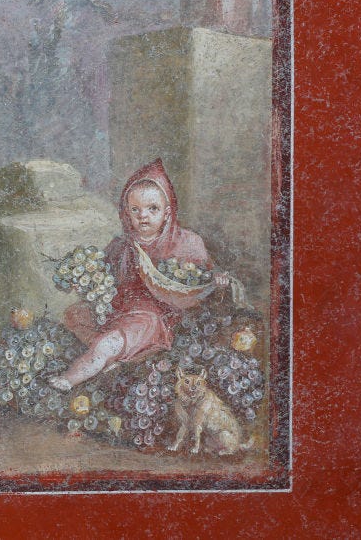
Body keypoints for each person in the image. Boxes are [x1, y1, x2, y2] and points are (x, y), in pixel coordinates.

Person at [49, 159, 228, 391]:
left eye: (152, 208)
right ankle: (114, 359)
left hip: (149, 317)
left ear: (167, 212)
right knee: (74, 315)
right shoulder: (121, 245)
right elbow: (102, 279)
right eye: (135, 210)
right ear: (127, 213)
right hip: (117, 309)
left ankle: (69, 379)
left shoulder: (188, 243)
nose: (143, 216)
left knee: (107, 344)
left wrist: (219, 284)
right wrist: (84, 275)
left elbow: (204, 283)